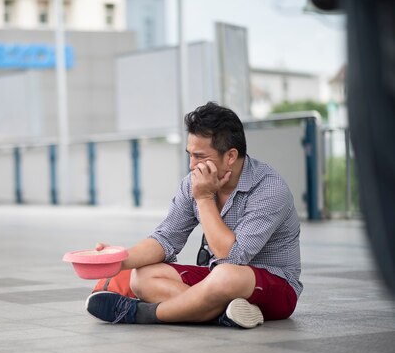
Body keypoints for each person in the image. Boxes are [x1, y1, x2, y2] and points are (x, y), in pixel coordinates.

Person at [86, 102, 302, 329]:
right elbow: (165, 238)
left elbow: (233, 257)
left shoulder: (269, 189)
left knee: (226, 275)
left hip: (276, 288)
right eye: (190, 155)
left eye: (200, 156)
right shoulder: (193, 183)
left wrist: (204, 199)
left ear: (230, 156)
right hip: (218, 280)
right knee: (142, 276)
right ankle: (223, 314)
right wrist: (117, 260)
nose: (192, 166)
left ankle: (141, 313)